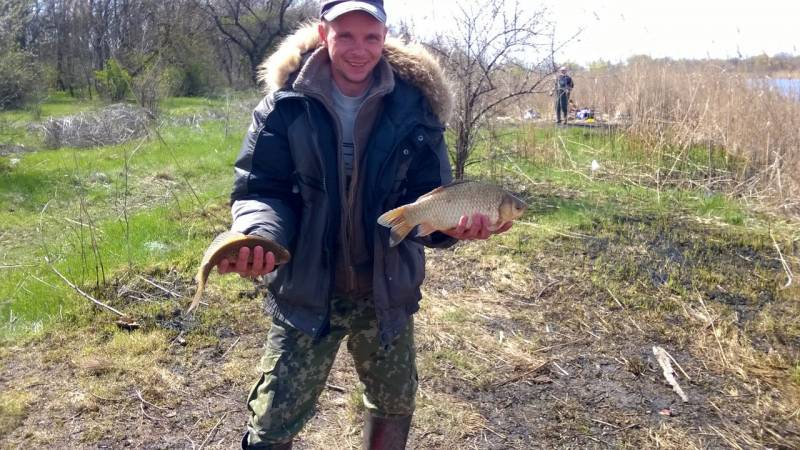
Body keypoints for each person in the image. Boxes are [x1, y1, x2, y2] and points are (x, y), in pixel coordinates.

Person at [218, 1, 515, 448]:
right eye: (346, 36)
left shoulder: (417, 109)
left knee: (394, 407)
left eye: (371, 37)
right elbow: (261, 188)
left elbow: (432, 195)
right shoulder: (283, 107)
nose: (360, 50)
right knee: (271, 424)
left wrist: (449, 228)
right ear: (323, 33)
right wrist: (262, 236)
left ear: (384, 36)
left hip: (386, 291)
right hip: (306, 289)